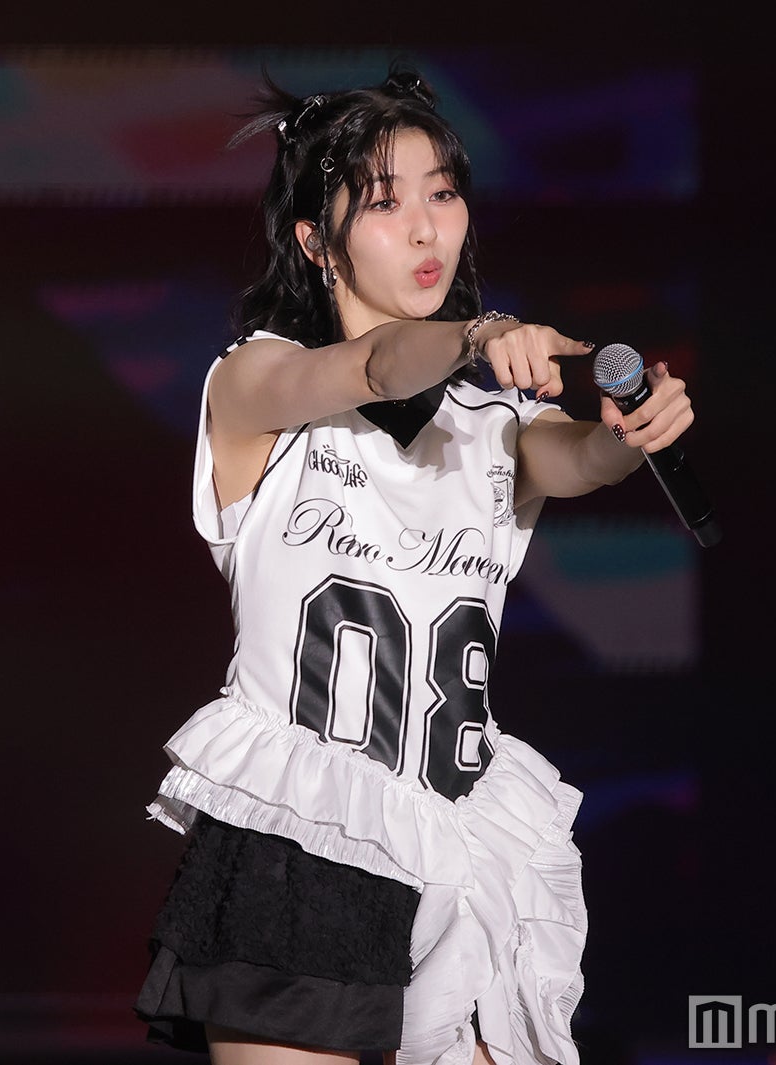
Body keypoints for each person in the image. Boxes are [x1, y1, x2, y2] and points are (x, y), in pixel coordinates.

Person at [132, 64, 695, 1065]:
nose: (429, 228)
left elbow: (575, 458)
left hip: (459, 844)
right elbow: (374, 363)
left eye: (443, 193)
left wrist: (628, 436)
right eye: (386, 203)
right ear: (317, 242)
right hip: (300, 842)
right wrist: (478, 332)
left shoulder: (493, 420)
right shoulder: (258, 380)